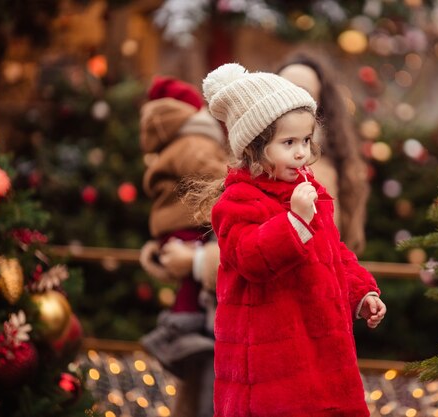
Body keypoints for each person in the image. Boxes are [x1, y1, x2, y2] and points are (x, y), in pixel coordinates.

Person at [189, 63, 386, 417]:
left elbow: (333, 251)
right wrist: (294, 221)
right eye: (289, 142)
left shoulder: (308, 191)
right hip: (271, 367)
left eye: (306, 141)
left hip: (322, 351)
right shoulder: (237, 202)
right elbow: (251, 258)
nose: (301, 153)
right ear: (253, 148)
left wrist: (361, 293)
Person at [138, 75, 228, 417]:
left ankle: (178, 324)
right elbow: (213, 176)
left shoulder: (169, 145)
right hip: (194, 224)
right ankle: (179, 328)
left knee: (190, 292)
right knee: (195, 299)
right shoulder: (195, 142)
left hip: (173, 228)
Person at [277, 52, 370, 255]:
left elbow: (340, 249)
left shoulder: (332, 170)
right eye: (282, 89)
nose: (290, 99)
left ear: (319, 104)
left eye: (302, 92)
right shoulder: (250, 154)